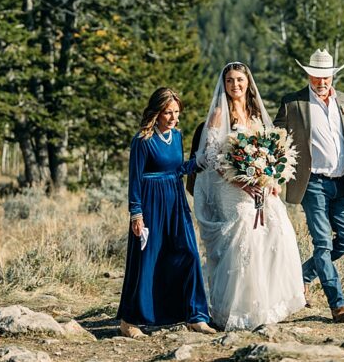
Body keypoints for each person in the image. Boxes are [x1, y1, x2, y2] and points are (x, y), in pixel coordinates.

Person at [192, 62, 306, 330]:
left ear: (248, 82)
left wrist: (272, 179)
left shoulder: (254, 113)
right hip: (230, 188)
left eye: (240, 80)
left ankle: (264, 307)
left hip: (261, 186)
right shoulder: (219, 114)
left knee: (278, 233)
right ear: (224, 84)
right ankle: (234, 311)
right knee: (243, 240)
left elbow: (269, 150)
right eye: (230, 80)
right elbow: (209, 155)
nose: (235, 85)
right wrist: (242, 182)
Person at [274, 49, 344, 324]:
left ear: (332, 76)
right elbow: (276, 139)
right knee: (322, 244)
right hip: (312, 182)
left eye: (325, 77)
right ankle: (337, 303)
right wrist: (272, 173)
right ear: (308, 75)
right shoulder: (293, 103)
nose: (321, 82)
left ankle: (301, 276)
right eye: (316, 77)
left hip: (342, 182)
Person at [116, 87, 215, 337]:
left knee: (189, 254)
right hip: (150, 204)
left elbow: (177, 169)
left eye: (177, 112)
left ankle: (195, 315)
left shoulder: (178, 137)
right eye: (168, 113)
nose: (174, 118)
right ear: (157, 113)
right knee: (147, 259)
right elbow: (135, 179)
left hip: (175, 201)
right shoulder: (142, 140)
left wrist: (199, 163)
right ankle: (130, 321)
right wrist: (136, 213)